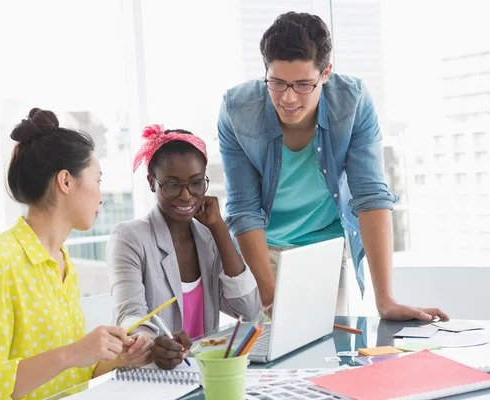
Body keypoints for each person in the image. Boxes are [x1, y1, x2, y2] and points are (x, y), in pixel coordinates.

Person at [217, 12, 448, 321]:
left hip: (322, 248)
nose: (288, 97)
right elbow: (243, 209)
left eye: (303, 85)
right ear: (265, 73)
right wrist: (269, 294)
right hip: (260, 246)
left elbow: (370, 197)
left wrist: (385, 301)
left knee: (325, 354)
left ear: (325, 73)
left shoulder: (352, 102)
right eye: (277, 83)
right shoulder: (237, 110)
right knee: (264, 357)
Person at [0, 108, 153, 400]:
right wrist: (74, 352)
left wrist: (122, 357)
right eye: (97, 180)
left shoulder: (63, 262)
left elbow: (73, 377)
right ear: (66, 182)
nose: (101, 195)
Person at [106, 124, 260, 370]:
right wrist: (152, 342)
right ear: (152, 182)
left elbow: (248, 309)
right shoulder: (129, 237)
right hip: (153, 376)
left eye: (196, 183)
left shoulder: (209, 238)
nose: (187, 195)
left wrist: (219, 229)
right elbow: (131, 315)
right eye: (172, 185)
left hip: (203, 373)